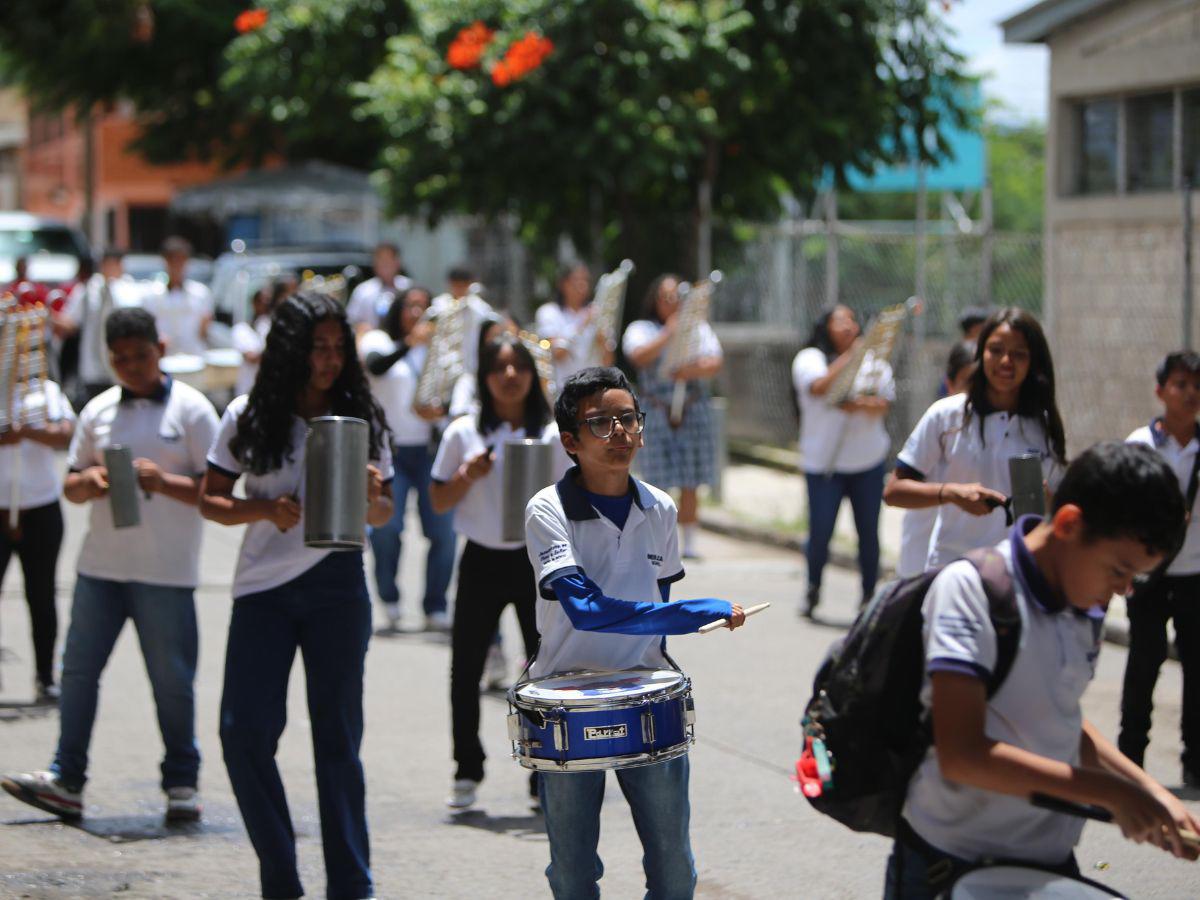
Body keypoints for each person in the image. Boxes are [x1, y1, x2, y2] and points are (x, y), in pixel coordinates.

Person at [884, 442, 1200, 898]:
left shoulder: (1082, 604)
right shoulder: (971, 590)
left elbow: (1062, 720)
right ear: (1069, 524)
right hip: (949, 861)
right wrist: (1110, 793)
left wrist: (1149, 792)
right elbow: (962, 753)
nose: (1123, 590)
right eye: (1119, 570)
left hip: (1047, 859)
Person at [524, 365, 746, 899]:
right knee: (573, 873)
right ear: (570, 441)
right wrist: (692, 614)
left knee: (675, 870)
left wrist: (675, 622)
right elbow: (586, 610)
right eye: (601, 423)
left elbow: (656, 606)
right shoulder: (547, 510)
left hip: (646, 692)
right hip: (566, 693)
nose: (620, 432)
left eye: (629, 419)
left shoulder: (661, 508)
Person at [201, 292, 393, 900]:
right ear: (290, 350)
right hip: (263, 592)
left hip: (339, 586)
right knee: (243, 734)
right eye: (317, 347)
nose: (330, 359)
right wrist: (262, 509)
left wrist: (371, 496)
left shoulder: (361, 415)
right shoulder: (248, 415)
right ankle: (281, 875)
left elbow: (384, 512)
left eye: (338, 348)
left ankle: (351, 885)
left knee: (338, 742)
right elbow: (211, 499)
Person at [1, 308, 219, 822]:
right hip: (100, 568)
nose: (131, 367)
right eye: (120, 359)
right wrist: (91, 482)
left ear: (160, 349)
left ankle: (182, 781)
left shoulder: (193, 411)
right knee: (78, 674)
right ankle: (67, 777)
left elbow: (217, 494)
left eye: (140, 356)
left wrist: (164, 482)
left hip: (166, 572)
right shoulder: (98, 410)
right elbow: (71, 484)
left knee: (171, 681)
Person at [430, 333, 570, 811]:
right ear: (484, 378)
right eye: (499, 369)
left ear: (533, 375)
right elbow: (438, 499)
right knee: (466, 669)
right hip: (481, 559)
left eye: (520, 367)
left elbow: (571, 498)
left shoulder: (552, 434)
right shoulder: (463, 432)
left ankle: (542, 769)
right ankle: (466, 768)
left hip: (535, 563)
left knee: (543, 667)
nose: (510, 377)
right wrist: (466, 476)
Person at [884, 308, 1068, 571]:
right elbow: (893, 492)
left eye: (1019, 354)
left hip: (1014, 573)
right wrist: (951, 493)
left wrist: (1048, 503)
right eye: (996, 350)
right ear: (981, 353)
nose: (1006, 361)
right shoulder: (947, 415)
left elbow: (1062, 506)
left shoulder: (1044, 424)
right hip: (952, 569)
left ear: (1033, 362)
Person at [1120, 350, 1200, 788]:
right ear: (1160, 391)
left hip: (1195, 576)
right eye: (1181, 384)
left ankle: (1195, 764)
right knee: (1143, 664)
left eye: (1197, 386)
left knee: (1197, 671)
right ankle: (1130, 762)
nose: (1190, 394)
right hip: (1149, 576)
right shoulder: (1141, 444)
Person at [360, 285, 455, 633]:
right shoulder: (379, 340)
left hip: (429, 451)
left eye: (423, 306)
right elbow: (376, 366)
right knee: (387, 529)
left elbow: (453, 391)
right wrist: (409, 343)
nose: (417, 312)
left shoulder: (439, 348)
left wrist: (441, 411)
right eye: (411, 305)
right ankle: (389, 599)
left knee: (443, 532)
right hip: (392, 452)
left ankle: (435, 605)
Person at [792, 305, 895, 615]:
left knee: (868, 533)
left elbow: (884, 402)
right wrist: (853, 356)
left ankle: (868, 595)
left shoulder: (875, 363)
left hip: (867, 462)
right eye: (840, 321)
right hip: (825, 464)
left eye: (852, 319)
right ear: (825, 327)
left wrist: (858, 403)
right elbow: (819, 387)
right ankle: (813, 587)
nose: (848, 325)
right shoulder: (810, 358)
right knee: (821, 531)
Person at [622, 274, 723, 559]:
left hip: (691, 408)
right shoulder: (641, 328)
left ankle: (688, 542)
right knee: (657, 477)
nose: (672, 302)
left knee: (692, 477)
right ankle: (658, 541)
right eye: (666, 297)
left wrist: (688, 370)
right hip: (656, 409)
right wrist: (670, 332)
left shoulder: (698, 329)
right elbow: (638, 356)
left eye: (676, 297)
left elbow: (714, 361)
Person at [0, 372, 76, 702]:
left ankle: (45, 676)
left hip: (40, 507)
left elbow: (65, 434)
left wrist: (26, 432)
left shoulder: (44, 391)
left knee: (42, 595)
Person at [895, 341, 976, 580]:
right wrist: (950, 494)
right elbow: (895, 490)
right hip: (923, 562)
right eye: (969, 382)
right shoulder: (942, 417)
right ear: (950, 384)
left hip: (971, 568)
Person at [57, 248, 145, 406]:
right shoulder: (88, 289)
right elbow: (70, 323)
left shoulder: (132, 290)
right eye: (106, 264)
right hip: (93, 371)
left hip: (122, 369)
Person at [534, 262, 613, 391]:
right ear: (563, 283)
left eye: (586, 280)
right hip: (563, 390)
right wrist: (582, 325)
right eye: (577, 280)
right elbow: (558, 354)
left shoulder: (596, 313)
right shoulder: (548, 312)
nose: (583, 285)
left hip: (594, 389)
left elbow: (608, 361)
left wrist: (603, 342)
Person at [142, 236, 213, 356]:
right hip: (164, 357)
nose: (176, 265)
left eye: (181, 260)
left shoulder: (201, 293)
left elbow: (204, 327)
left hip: (194, 357)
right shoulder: (151, 295)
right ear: (165, 261)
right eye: (172, 260)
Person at [230, 279, 286, 398]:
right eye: (262, 301)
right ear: (254, 303)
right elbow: (251, 358)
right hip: (247, 392)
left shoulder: (269, 325)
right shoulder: (241, 329)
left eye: (268, 301)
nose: (265, 305)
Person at [345, 242, 413, 336]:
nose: (385, 265)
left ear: (397, 262)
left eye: (389, 260)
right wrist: (360, 327)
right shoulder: (363, 291)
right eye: (381, 260)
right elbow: (350, 320)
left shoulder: (408, 288)